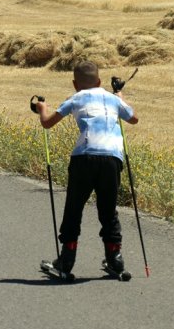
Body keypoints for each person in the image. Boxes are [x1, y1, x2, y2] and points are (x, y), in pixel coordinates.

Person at [34, 60, 139, 278]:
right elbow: (133, 118)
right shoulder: (111, 98)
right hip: (112, 159)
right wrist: (119, 95)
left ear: (75, 84)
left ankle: (66, 261)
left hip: (84, 157)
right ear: (100, 81)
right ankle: (115, 259)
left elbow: (47, 123)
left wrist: (42, 109)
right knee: (108, 210)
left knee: (74, 208)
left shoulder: (75, 98)